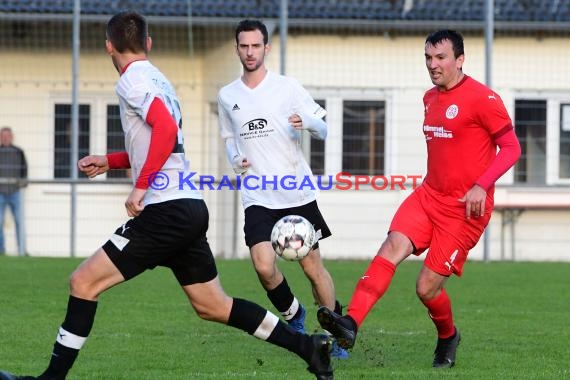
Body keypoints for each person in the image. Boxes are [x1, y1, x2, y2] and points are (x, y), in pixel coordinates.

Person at [0, 11, 334, 380]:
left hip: (165, 210)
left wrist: (140, 186)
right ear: (148, 44)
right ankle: (309, 347)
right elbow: (166, 142)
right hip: (188, 207)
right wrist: (111, 161)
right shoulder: (159, 78)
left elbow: (161, 130)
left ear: (109, 47)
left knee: (83, 282)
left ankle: (50, 379)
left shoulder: (132, 80)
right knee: (212, 305)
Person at [317, 29, 521, 369]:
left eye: (440, 58)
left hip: (464, 211)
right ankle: (350, 324)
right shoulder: (429, 98)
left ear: (460, 60)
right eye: (428, 58)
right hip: (429, 196)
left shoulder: (484, 99)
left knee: (426, 288)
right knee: (391, 247)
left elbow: (512, 148)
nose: (433, 64)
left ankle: (447, 336)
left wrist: (481, 185)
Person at [217, 19, 348, 359]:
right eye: (243, 46)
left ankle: (332, 332)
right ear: (237, 49)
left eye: (255, 46)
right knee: (263, 265)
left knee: (312, 268)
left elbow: (324, 129)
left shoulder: (287, 88)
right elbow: (229, 139)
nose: (249, 52)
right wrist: (235, 159)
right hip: (258, 195)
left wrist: (308, 123)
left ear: (266, 48)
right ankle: (295, 316)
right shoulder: (227, 95)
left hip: (295, 192)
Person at [0, 126, 27, 256]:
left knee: (18, 221)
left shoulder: (19, 152)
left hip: (15, 192)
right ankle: (1, 251)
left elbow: (24, 169)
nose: (5, 138)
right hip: (0, 192)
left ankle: (21, 251)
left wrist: (23, 182)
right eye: (3, 136)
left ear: (11, 137)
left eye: (7, 136)